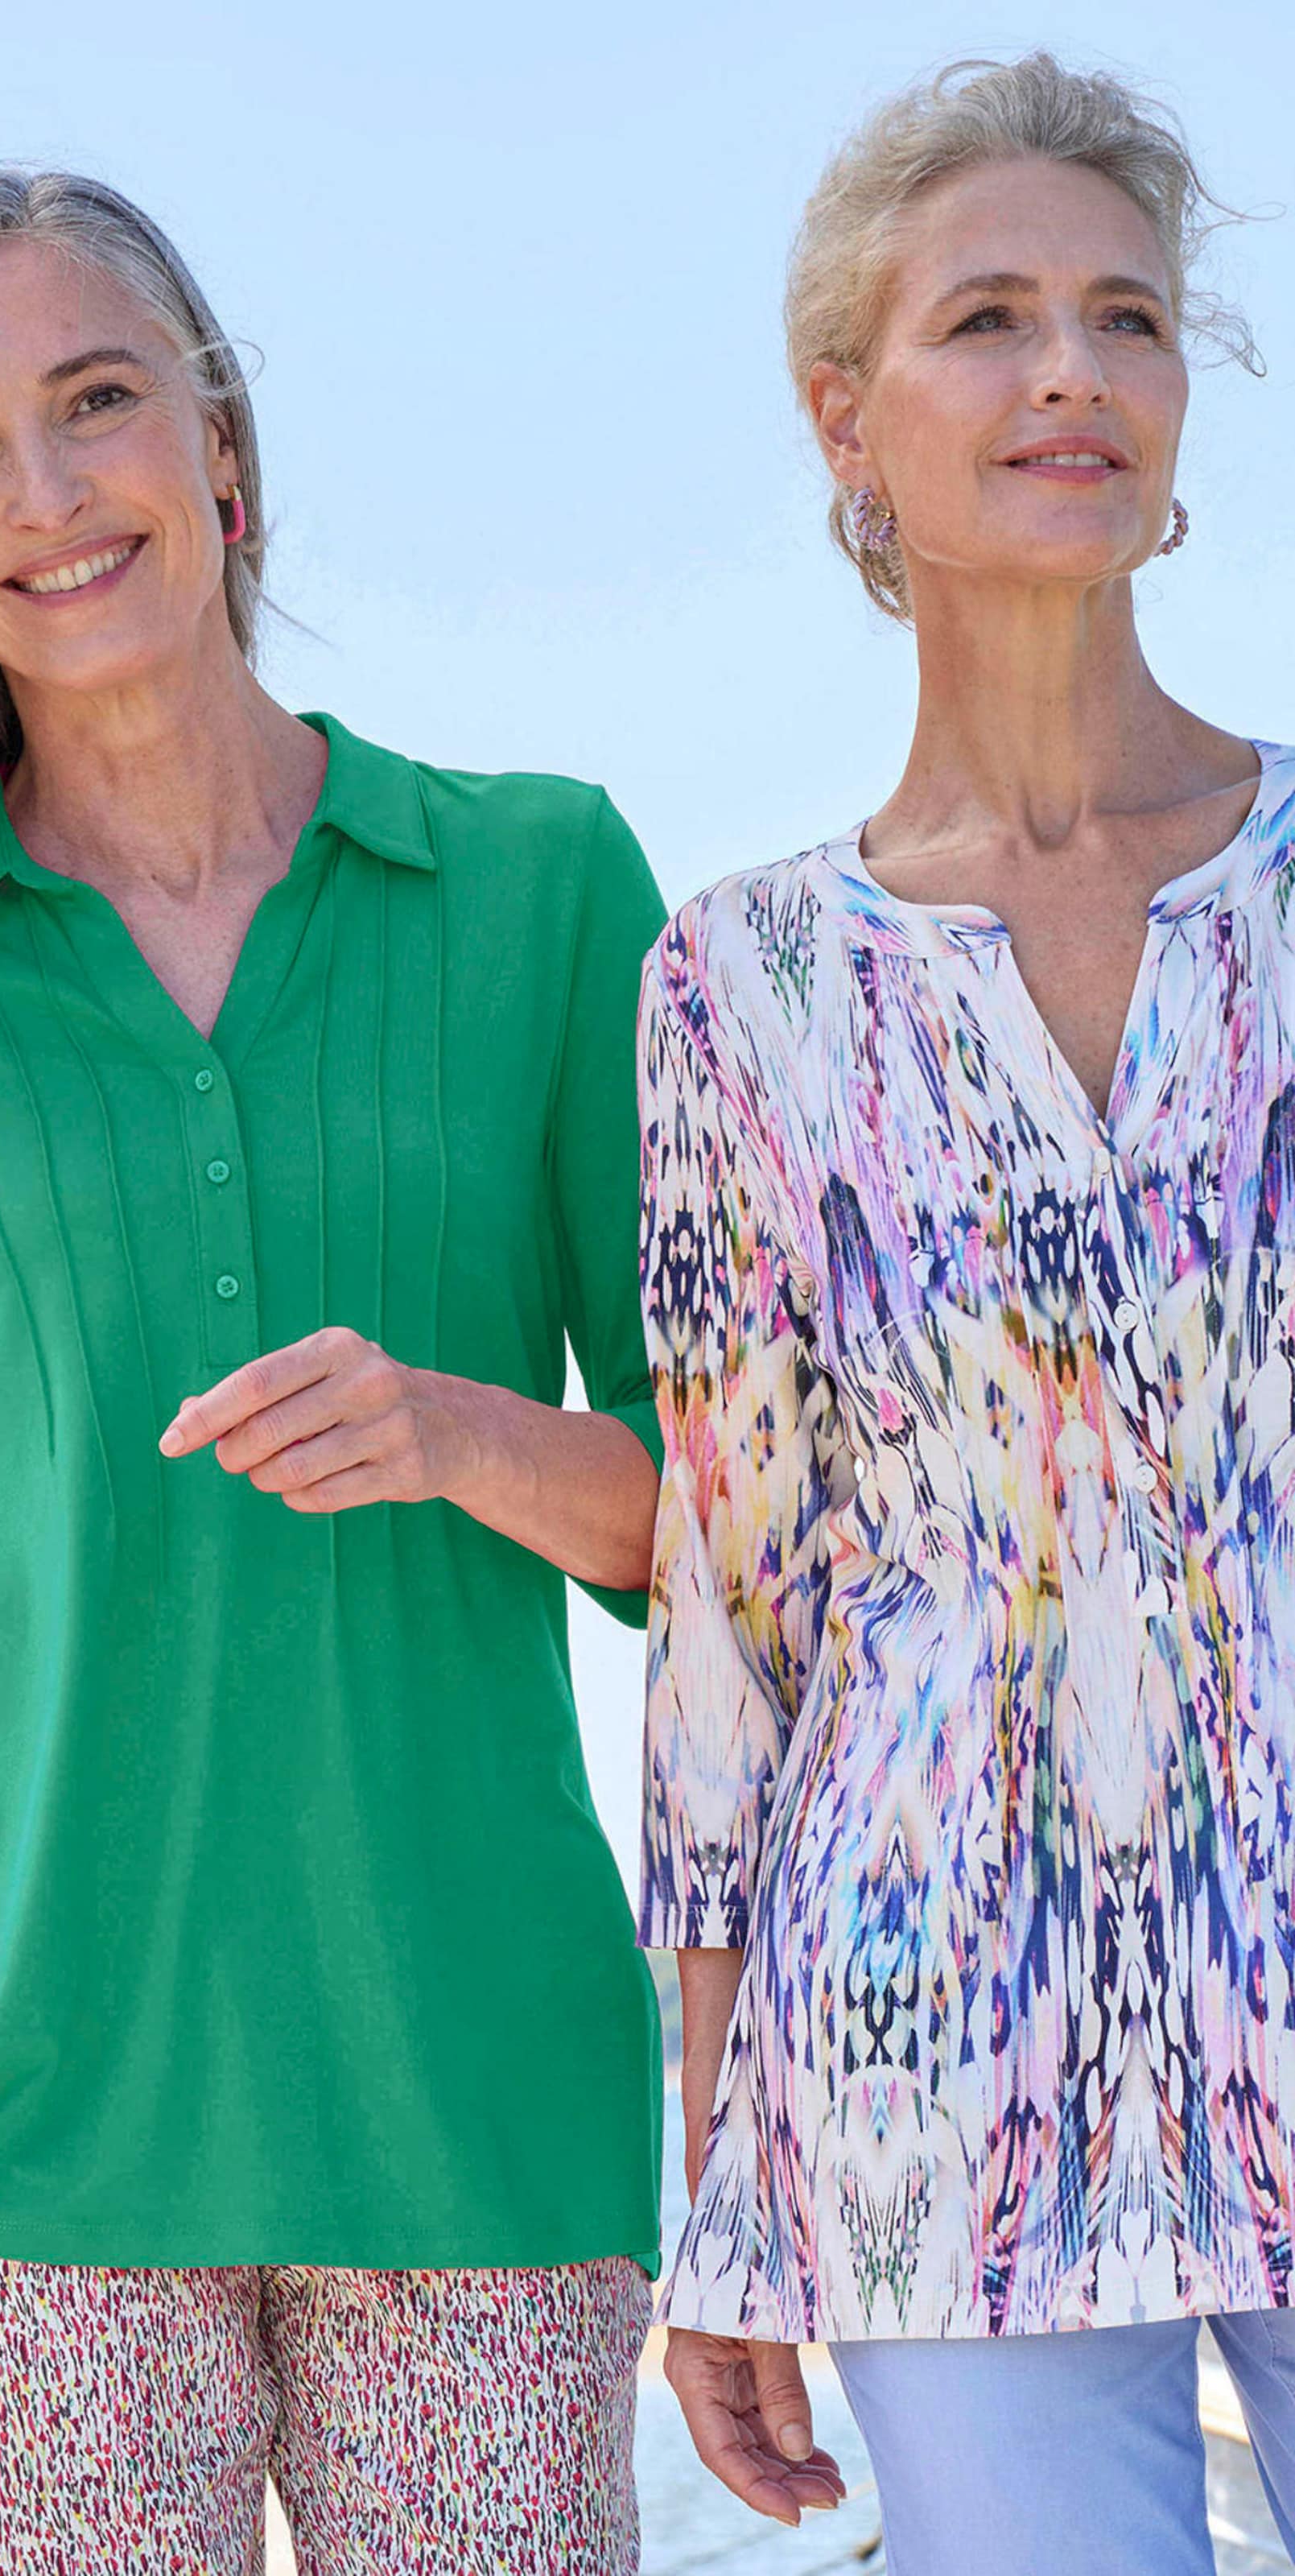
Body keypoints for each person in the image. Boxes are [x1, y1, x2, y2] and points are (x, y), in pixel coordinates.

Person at [0, 168, 667, 2573]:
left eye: (95, 399)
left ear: (222, 444)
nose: (48, 489)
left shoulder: (544, 892)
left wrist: (457, 1433)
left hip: (474, 2099)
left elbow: (716, 1525)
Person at [636, 52, 1295, 2575]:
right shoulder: (741, 986)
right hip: (928, 2051)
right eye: (986, 319)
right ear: (848, 416)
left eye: (1123, 317)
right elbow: (730, 1612)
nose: (1067, 374)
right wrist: (721, 2172)